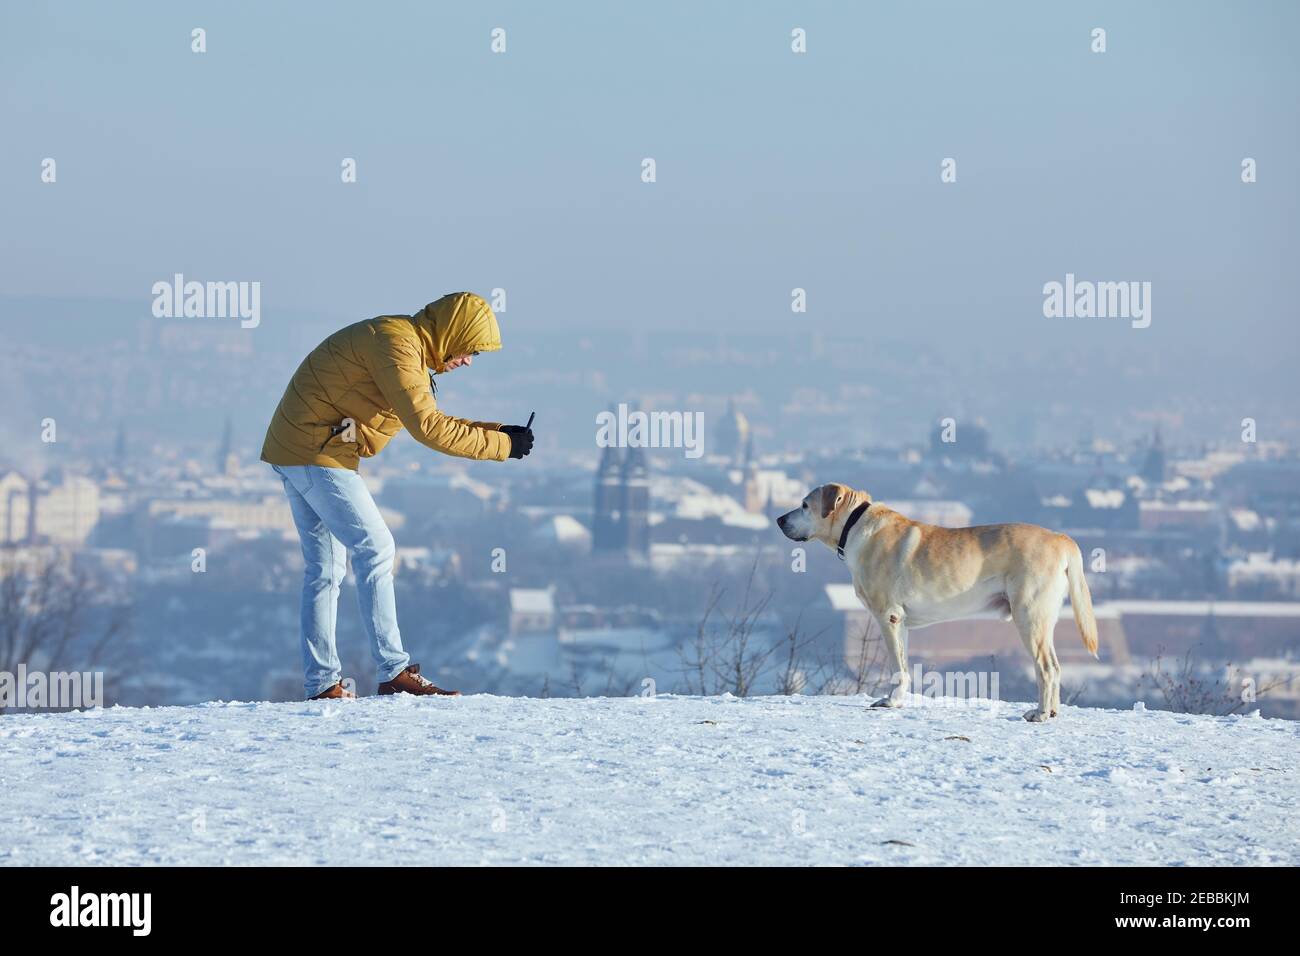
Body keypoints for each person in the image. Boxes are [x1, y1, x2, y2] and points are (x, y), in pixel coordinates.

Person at [260, 292, 533, 700]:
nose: (468, 361)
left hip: (298, 446)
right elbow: (427, 427)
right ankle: (395, 671)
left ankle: (322, 685)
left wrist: (499, 432)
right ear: (452, 332)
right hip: (317, 451)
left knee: (325, 571)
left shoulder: (403, 344)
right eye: (469, 349)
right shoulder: (398, 346)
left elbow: (425, 415)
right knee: (376, 548)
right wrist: (502, 448)